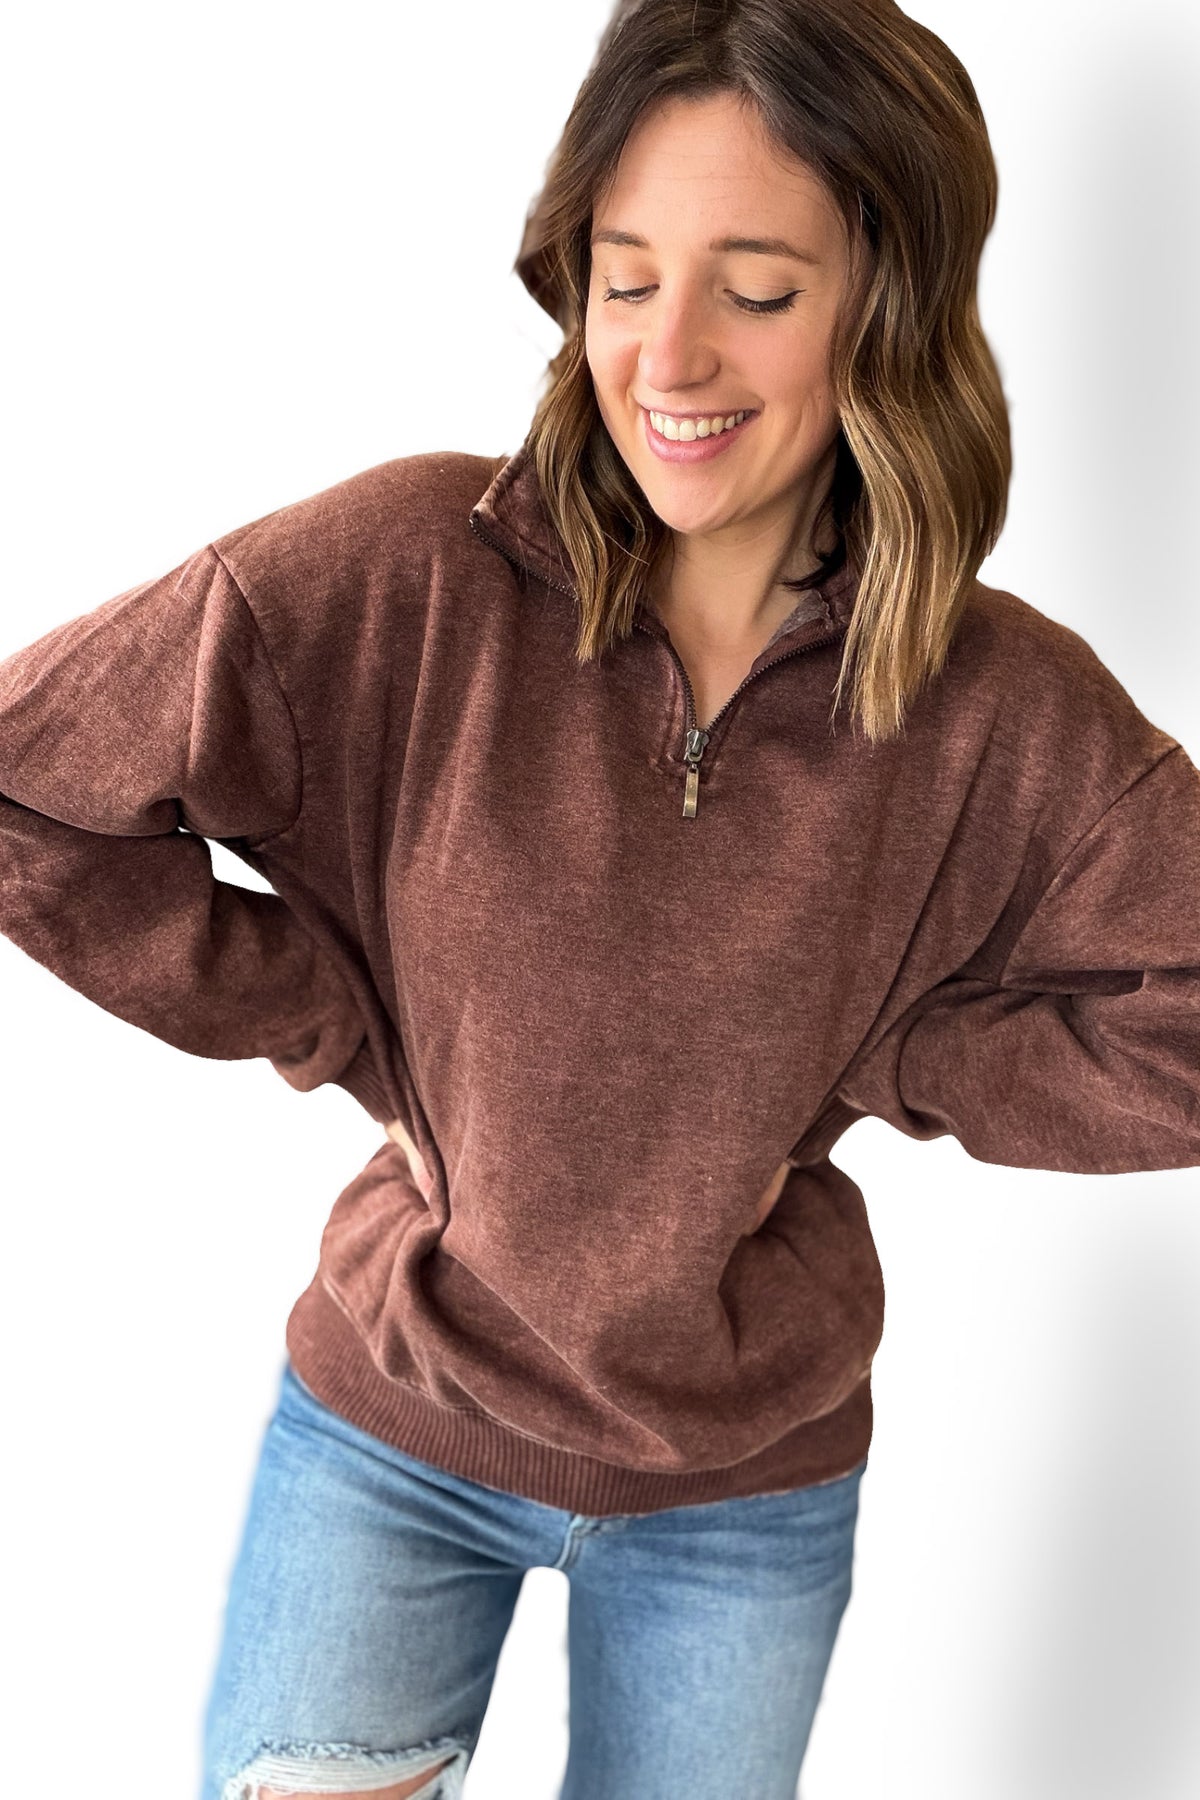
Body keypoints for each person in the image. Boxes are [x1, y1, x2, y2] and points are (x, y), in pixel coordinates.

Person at [1, 3, 1197, 1798]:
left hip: (749, 1492)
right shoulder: (410, 574)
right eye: (625, 279)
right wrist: (345, 1019)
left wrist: (888, 1057)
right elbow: (36, 777)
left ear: (894, 301)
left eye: (758, 288)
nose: (670, 354)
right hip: (393, 1433)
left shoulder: (1004, 711)